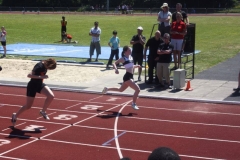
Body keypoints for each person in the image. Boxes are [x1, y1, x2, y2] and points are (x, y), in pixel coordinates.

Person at [11, 58, 57, 126]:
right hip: (32, 86)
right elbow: (29, 75)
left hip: (40, 85)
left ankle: (43, 111)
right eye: (49, 68)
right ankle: (15, 115)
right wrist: (42, 77)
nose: (49, 69)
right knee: (28, 106)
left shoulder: (45, 66)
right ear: (48, 64)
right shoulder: (39, 66)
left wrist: (42, 77)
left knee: (51, 96)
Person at [102, 46, 141, 110]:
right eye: (129, 50)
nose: (130, 51)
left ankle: (107, 89)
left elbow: (131, 66)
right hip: (127, 77)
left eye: (130, 50)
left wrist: (137, 66)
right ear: (125, 51)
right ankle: (133, 104)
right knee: (137, 89)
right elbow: (114, 63)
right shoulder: (123, 58)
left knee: (120, 90)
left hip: (131, 76)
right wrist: (116, 69)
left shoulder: (131, 57)